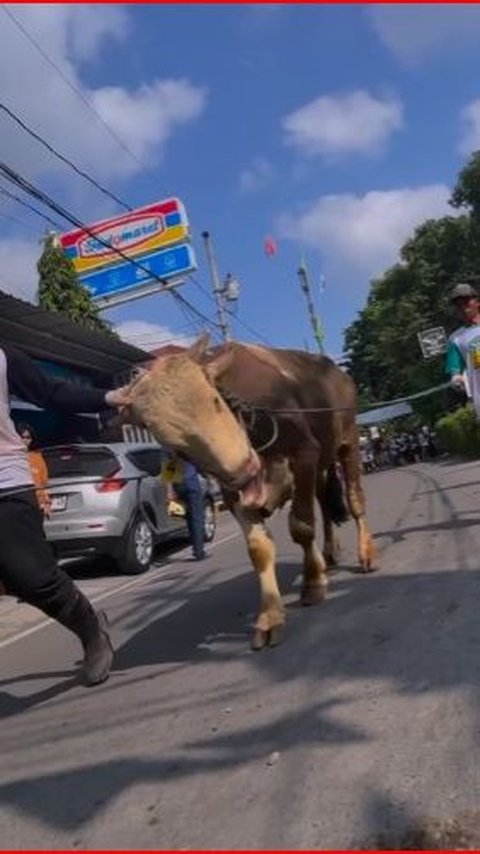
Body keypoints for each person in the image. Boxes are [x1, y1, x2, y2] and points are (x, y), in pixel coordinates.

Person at [0, 344, 127, 686]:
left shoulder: (4, 356)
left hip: (5, 484)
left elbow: (52, 392)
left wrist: (111, 396)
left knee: (32, 578)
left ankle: (91, 630)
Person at [163, 452, 206, 561]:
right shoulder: (186, 446)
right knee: (197, 517)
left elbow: (168, 469)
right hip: (192, 484)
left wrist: (170, 491)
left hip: (178, 484)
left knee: (188, 517)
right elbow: (199, 464)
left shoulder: (168, 448)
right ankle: (198, 550)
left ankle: (196, 547)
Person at [446, 282, 480, 418]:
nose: (462, 307)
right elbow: (455, 371)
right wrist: (456, 380)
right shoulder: (456, 339)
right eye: (458, 305)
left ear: (477, 302)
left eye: (466, 302)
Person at [16, 422, 51, 517]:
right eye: (22, 437)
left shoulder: (37, 457)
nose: (25, 440)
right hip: (17, 504)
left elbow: (44, 484)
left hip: (37, 505)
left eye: (28, 438)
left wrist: (47, 503)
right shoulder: (10, 458)